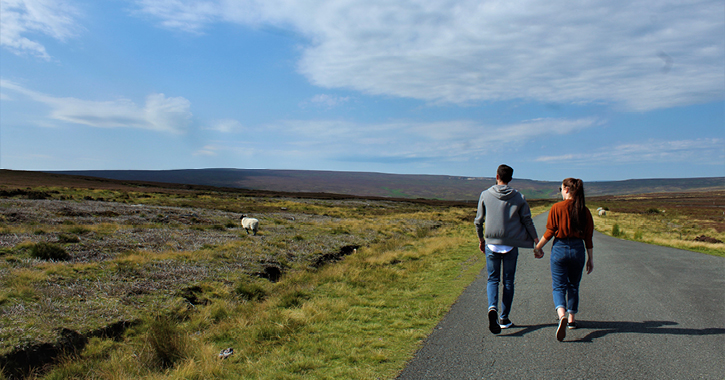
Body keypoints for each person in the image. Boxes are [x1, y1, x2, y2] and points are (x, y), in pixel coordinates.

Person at [474, 164, 539, 334]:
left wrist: (481, 239)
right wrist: (536, 240)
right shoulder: (519, 196)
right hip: (510, 246)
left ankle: (492, 308)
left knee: (492, 279)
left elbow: (478, 221)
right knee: (508, 281)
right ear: (510, 178)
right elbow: (527, 220)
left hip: (491, 244)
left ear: (497, 176)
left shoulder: (485, 195)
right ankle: (504, 318)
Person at [534, 178, 594, 342]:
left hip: (560, 249)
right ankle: (572, 319)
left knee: (558, 286)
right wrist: (590, 258)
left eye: (560, 189)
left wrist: (538, 247)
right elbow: (588, 237)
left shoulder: (557, 208)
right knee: (573, 285)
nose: (560, 191)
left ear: (566, 189)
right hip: (578, 250)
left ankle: (561, 315)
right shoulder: (585, 210)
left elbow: (550, 231)